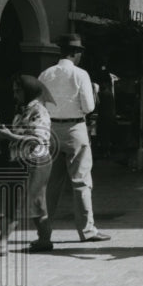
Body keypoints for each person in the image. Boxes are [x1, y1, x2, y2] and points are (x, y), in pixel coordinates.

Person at [36, 34, 110, 250]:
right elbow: (88, 107)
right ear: (76, 53)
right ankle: (87, 230)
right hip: (75, 128)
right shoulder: (80, 74)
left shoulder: (45, 74)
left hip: (50, 128)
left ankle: (44, 233)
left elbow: (39, 102)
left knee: (50, 183)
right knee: (81, 181)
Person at [0, 75, 52, 256]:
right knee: (36, 202)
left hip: (34, 161)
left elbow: (38, 140)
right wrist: (3, 134)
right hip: (23, 161)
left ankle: (1, 243)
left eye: (17, 90)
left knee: (16, 204)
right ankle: (44, 240)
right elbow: (22, 132)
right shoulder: (23, 110)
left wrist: (9, 136)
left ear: (28, 91)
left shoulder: (39, 111)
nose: (15, 94)